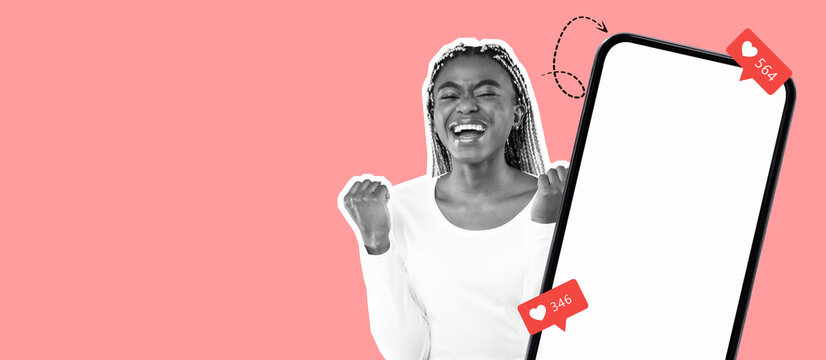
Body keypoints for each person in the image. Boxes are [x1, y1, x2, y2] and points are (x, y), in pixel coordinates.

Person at [338, 38, 568, 360]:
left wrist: (547, 226)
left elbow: (552, 335)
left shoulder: (559, 204)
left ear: (517, 114)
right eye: (449, 95)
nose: (466, 105)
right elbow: (406, 353)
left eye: (486, 92)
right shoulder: (398, 210)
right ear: (434, 117)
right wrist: (377, 244)